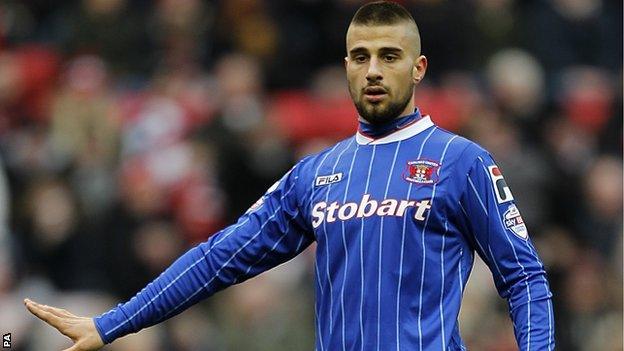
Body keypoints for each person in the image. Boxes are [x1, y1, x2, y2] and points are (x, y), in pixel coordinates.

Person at [24, 2, 555, 350]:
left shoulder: (462, 162)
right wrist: (110, 324)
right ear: (345, 65)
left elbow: (525, 277)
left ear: (418, 68)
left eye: (389, 56)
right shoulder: (316, 174)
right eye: (360, 56)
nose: (373, 70)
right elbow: (219, 258)